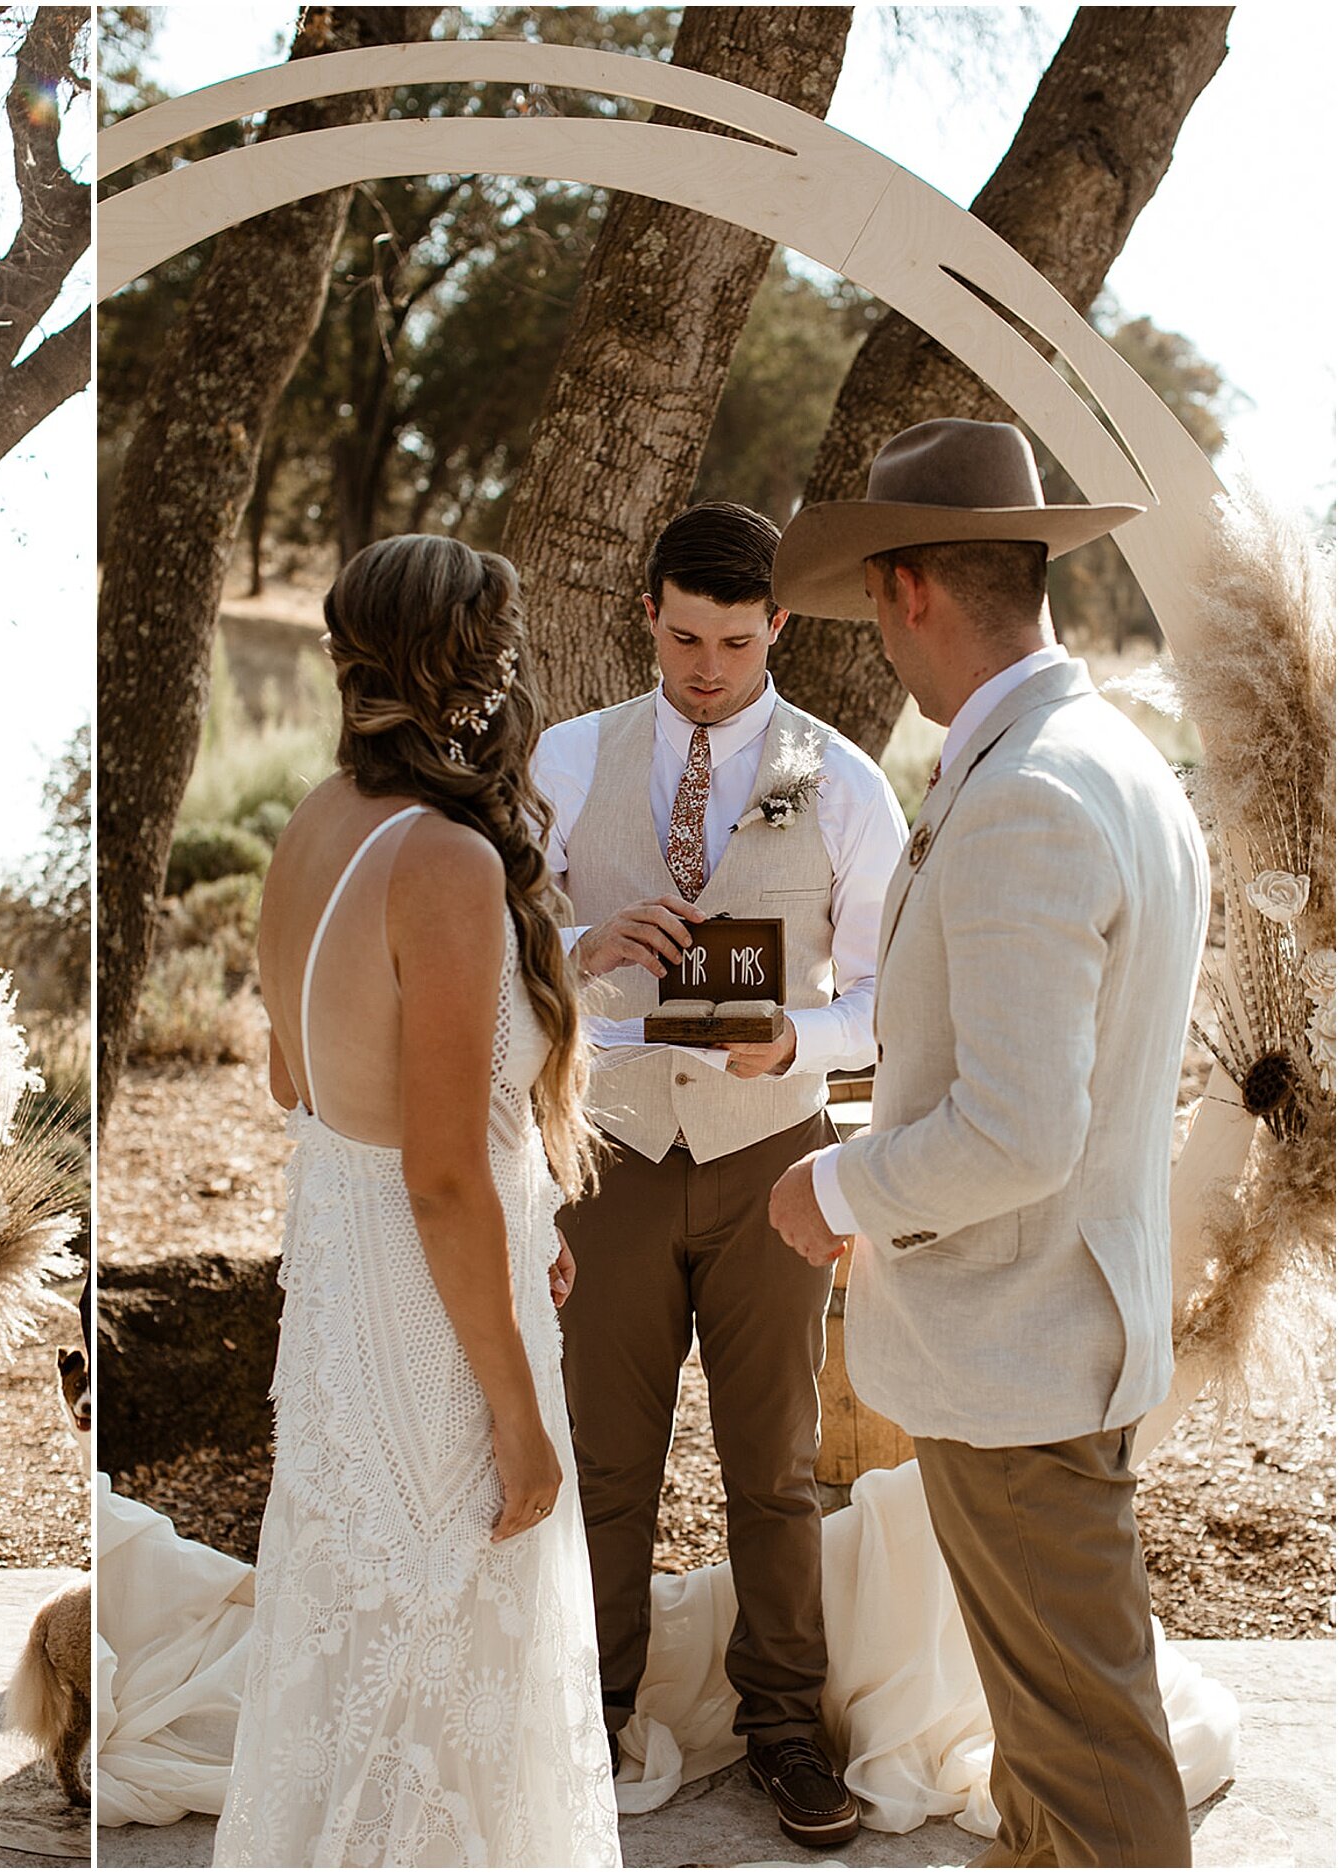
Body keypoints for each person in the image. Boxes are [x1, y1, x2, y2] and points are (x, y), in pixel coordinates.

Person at [767, 418, 1207, 1868]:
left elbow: (1019, 1130)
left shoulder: (1025, 792)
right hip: (1062, 1329)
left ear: (906, 591)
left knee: (1090, 1770)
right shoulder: (1108, 761)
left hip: (1025, 1356)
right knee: (1051, 1743)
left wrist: (834, 1184)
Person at [210, 535, 618, 1866]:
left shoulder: (315, 825)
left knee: (363, 1645)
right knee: (454, 1660)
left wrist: (526, 1211)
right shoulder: (439, 859)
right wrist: (517, 1412)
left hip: (341, 1298)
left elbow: (300, 1073)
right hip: (433, 1327)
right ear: (480, 670)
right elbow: (442, 1177)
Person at [531, 501, 905, 1847]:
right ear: (647, 611)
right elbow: (495, 939)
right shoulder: (568, 760)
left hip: (772, 1161)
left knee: (777, 1460)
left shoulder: (844, 779)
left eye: (735, 643)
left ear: (779, 629)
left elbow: (890, 995)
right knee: (605, 1457)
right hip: (611, 1149)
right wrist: (576, 942)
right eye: (684, 637)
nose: (706, 670)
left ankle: (787, 1727)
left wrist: (797, 1035)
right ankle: (591, 1709)